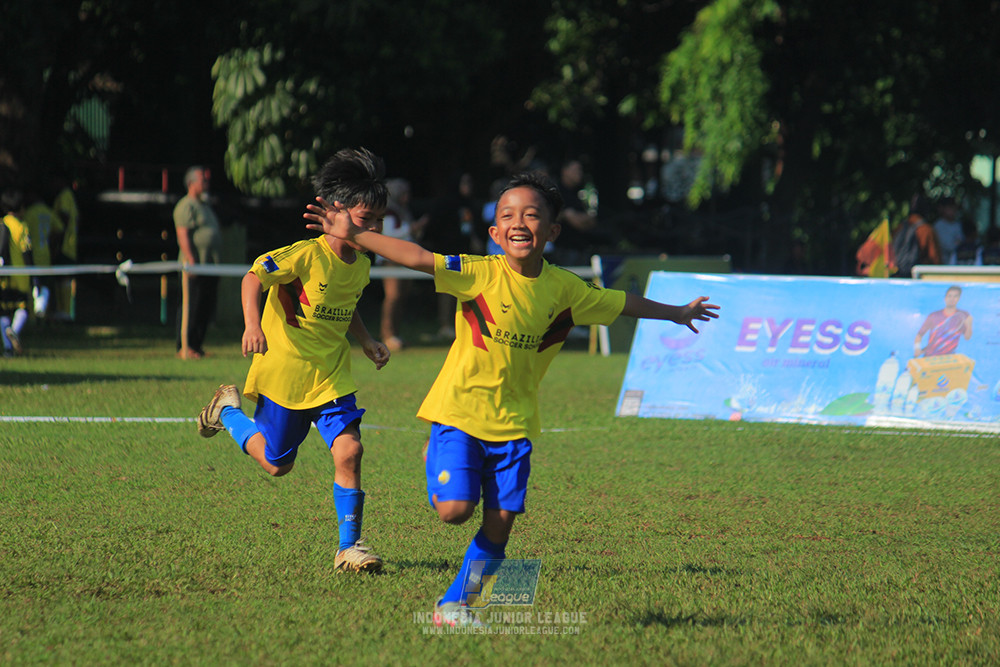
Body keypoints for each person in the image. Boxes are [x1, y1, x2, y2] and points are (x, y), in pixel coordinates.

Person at [304, 170, 720, 625]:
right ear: (495, 233)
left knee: (500, 525)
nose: (519, 222)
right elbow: (418, 256)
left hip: (515, 423)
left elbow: (622, 302)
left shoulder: (566, 289)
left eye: (531, 215)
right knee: (454, 512)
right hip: (459, 412)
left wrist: (676, 313)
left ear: (552, 230)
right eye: (508, 215)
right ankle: (435, 450)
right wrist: (355, 233)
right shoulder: (478, 273)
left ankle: (456, 605)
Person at [196, 148, 391, 573]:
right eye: (367, 219)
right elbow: (253, 277)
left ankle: (349, 547)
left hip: (331, 375)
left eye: (380, 220)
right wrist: (252, 325)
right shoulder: (305, 254)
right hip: (285, 372)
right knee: (277, 464)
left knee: (350, 450)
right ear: (337, 211)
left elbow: (345, 304)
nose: (375, 229)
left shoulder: (361, 264)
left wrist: (366, 340)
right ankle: (227, 411)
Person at [420, 171, 483, 339]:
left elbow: (473, 227)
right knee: (447, 290)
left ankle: (467, 326)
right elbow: (434, 228)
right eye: (465, 183)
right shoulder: (445, 203)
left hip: (467, 255)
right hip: (448, 253)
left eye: (470, 183)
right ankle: (445, 325)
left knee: (466, 289)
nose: (468, 187)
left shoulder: (471, 204)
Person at [174, 166, 222, 359]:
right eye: (203, 180)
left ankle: (197, 345)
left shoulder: (204, 205)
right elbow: (182, 233)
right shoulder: (186, 206)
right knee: (191, 306)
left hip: (209, 265)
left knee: (204, 306)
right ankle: (184, 347)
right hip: (195, 265)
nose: (206, 184)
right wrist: (191, 259)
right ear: (191, 183)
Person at [378, 178, 427, 351]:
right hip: (391, 260)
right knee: (393, 297)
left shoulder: (402, 210)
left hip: (404, 260)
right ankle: (387, 334)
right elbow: (389, 234)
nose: (407, 197)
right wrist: (413, 228)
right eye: (404, 193)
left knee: (401, 298)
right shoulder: (389, 212)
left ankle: (395, 334)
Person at [21, 188, 63, 319]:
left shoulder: (29, 213)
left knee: (33, 286)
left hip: (32, 254)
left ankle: (35, 315)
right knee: (45, 285)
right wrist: (52, 244)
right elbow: (60, 229)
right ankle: (46, 314)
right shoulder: (48, 211)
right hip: (45, 253)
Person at [1, 189, 33, 356]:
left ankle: (8, 349)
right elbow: (26, 252)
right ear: (20, 207)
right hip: (20, 276)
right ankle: (14, 330)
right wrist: (33, 274)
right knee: (23, 309)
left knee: (4, 312)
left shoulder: (1, 224)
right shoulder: (21, 226)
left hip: (4, 277)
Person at [552, 159, 598, 265]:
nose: (579, 173)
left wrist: (576, 217)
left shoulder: (578, 194)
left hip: (581, 248)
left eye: (580, 170)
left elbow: (592, 222)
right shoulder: (556, 193)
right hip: (564, 250)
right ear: (565, 171)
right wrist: (570, 216)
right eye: (576, 170)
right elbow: (576, 222)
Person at [913, 285, 972, 358]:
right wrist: (917, 349)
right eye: (949, 296)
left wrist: (969, 325)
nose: (952, 299)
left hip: (949, 359)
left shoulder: (962, 316)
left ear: (959, 298)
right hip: (930, 357)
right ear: (945, 298)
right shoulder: (934, 316)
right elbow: (919, 335)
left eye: (955, 296)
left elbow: (967, 337)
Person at [51, 175, 80, 321]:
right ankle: (65, 311)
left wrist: (57, 243)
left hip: (64, 246)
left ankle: (65, 312)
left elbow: (64, 219)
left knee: (63, 279)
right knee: (65, 279)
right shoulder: (70, 197)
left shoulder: (64, 196)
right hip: (71, 245)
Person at [932, 196, 963, 265]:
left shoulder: (957, 225)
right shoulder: (938, 226)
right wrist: (957, 244)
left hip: (957, 263)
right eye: (950, 208)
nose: (953, 211)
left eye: (954, 208)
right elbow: (947, 246)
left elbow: (961, 241)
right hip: (943, 263)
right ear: (943, 209)